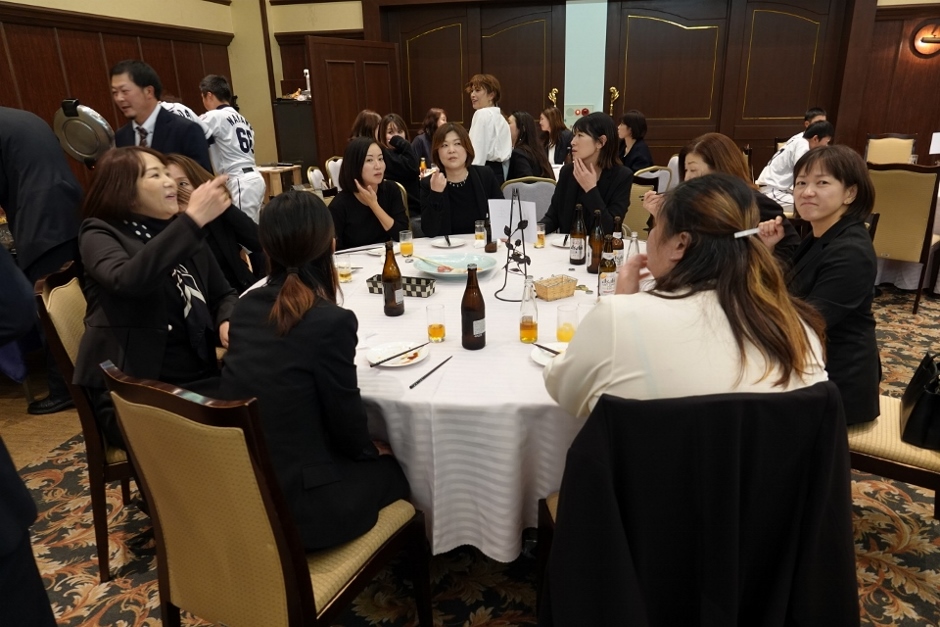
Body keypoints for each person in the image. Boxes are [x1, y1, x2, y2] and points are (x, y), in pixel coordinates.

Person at [544, 173, 828, 418]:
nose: (651, 235)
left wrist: (620, 304)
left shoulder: (618, 318)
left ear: (680, 244)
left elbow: (565, 393)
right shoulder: (798, 328)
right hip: (766, 467)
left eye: (656, 226)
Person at [219, 191, 410, 550]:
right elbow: (345, 417)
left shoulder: (245, 307)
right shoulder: (329, 321)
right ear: (331, 246)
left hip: (246, 487)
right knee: (403, 469)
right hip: (304, 510)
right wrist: (369, 451)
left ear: (267, 248)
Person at [73, 146, 237, 447]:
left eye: (167, 173)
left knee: (278, 393)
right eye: (155, 175)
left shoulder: (180, 231)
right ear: (125, 191)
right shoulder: (99, 233)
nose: (169, 181)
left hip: (197, 376)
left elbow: (223, 294)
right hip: (135, 391)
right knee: (253, 419)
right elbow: (128, 281)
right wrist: (192, 221)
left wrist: (226, 319)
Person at [758, 145, 880, 424]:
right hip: (806, 363)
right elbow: (785, 292)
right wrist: (767, 250)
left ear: (850, 193)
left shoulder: (850, 251)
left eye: (822, 183)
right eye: (801, 183)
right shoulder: (820, 235)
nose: (807, 192)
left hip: (835, 383)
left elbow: (808, 323)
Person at [0, 105, 84, 414]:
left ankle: (64, 389)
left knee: (49, 307)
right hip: (68, 211)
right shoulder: (21, 116)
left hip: (41, 222)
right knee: (73, 302)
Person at [667, 132, 801, 264]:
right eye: (686, 170)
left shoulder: (755, 203)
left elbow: (791, 252)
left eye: (693, 170)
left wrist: (765, 251)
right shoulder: (695, 204)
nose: (687, 178)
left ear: (720, 169)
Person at [165, 154, 264, 293]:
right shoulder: (165, 231)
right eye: (169, 186)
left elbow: (259, 242)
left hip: (242, 292)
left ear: (199, 185)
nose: (177, 192)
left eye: (182, 184)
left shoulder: (218, 215)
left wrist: (224, 206)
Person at [110, 60, 212, 173]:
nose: (119, 98)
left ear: (149, 91)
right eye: (115, 92)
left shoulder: (186, 130)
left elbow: (202, 178)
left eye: (125, 91)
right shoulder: (121, 136)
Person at [541, 112, 632, 235]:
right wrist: (533, 230)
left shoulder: (622, 176)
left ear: (600, 142)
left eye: (580, 135)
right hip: (567, 246)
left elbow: (610, 229)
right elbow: (552, 218)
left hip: (601, 246)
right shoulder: (568, 172)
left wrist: (591, 189)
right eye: (574, 135)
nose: (573, 142)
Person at [199, 74, 266, 222]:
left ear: (209, 95)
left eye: (202, 97)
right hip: (252, 177)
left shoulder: (214, 116)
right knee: (251, 228)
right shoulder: (243, 120)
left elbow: (192, 133)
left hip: (239, 179)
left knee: (243, 231)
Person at [419, 123, 503, 237]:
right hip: (446, 247)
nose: (451, 150)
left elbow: (502, 217)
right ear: (437, 152)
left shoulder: (485, 175)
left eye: (457, 144)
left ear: (467, 148)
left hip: (480, 244)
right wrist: (435, 194)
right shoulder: (429, 183)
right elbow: (429, 231)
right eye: (444, 145)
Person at [329, 137, 409, 250]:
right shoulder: (340, 204)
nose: (378, 166)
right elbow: (335, 251)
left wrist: (374, 205)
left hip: (386, 256)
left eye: (380, 159)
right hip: (355, 260)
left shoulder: (391, 190)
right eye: (369, 160)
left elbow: (402, 235)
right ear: (355, 165)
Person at [757, 120, 834, 206]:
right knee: (811, 204)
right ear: (815, 139)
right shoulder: (803, 145)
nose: (826, 146)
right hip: (772, 191)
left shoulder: (799, 139)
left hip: (779, 190)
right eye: (827, 142)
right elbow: (804, 172)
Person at [466, 74, 512, 184]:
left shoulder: (481, 114)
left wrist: (471, 179)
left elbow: (476, 152)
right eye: (472, 91)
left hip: (482, 172)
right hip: (500, 173)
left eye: (477, 90)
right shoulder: (502, 118)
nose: (472, 95)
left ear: (491, 95)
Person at [378, 113, 421, 219]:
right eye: (390, 132)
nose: (396, 136)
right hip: (407, 214)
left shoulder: (403, 153)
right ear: (382, 135)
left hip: (417, 210)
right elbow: (413, 168)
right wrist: (403, 143)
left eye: (400, 131)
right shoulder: (384, 155)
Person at [507, 111, 554, 180]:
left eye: (509, 123)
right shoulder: (538, 152)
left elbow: (526, 182)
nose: (505, 126)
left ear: (522, 128)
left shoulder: (519, 154)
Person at [617, 109, 653, 174]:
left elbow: (636, 175)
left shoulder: (641, 152)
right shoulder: (622, 144)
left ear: (631, 129)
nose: (618, 127)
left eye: (622, 124)